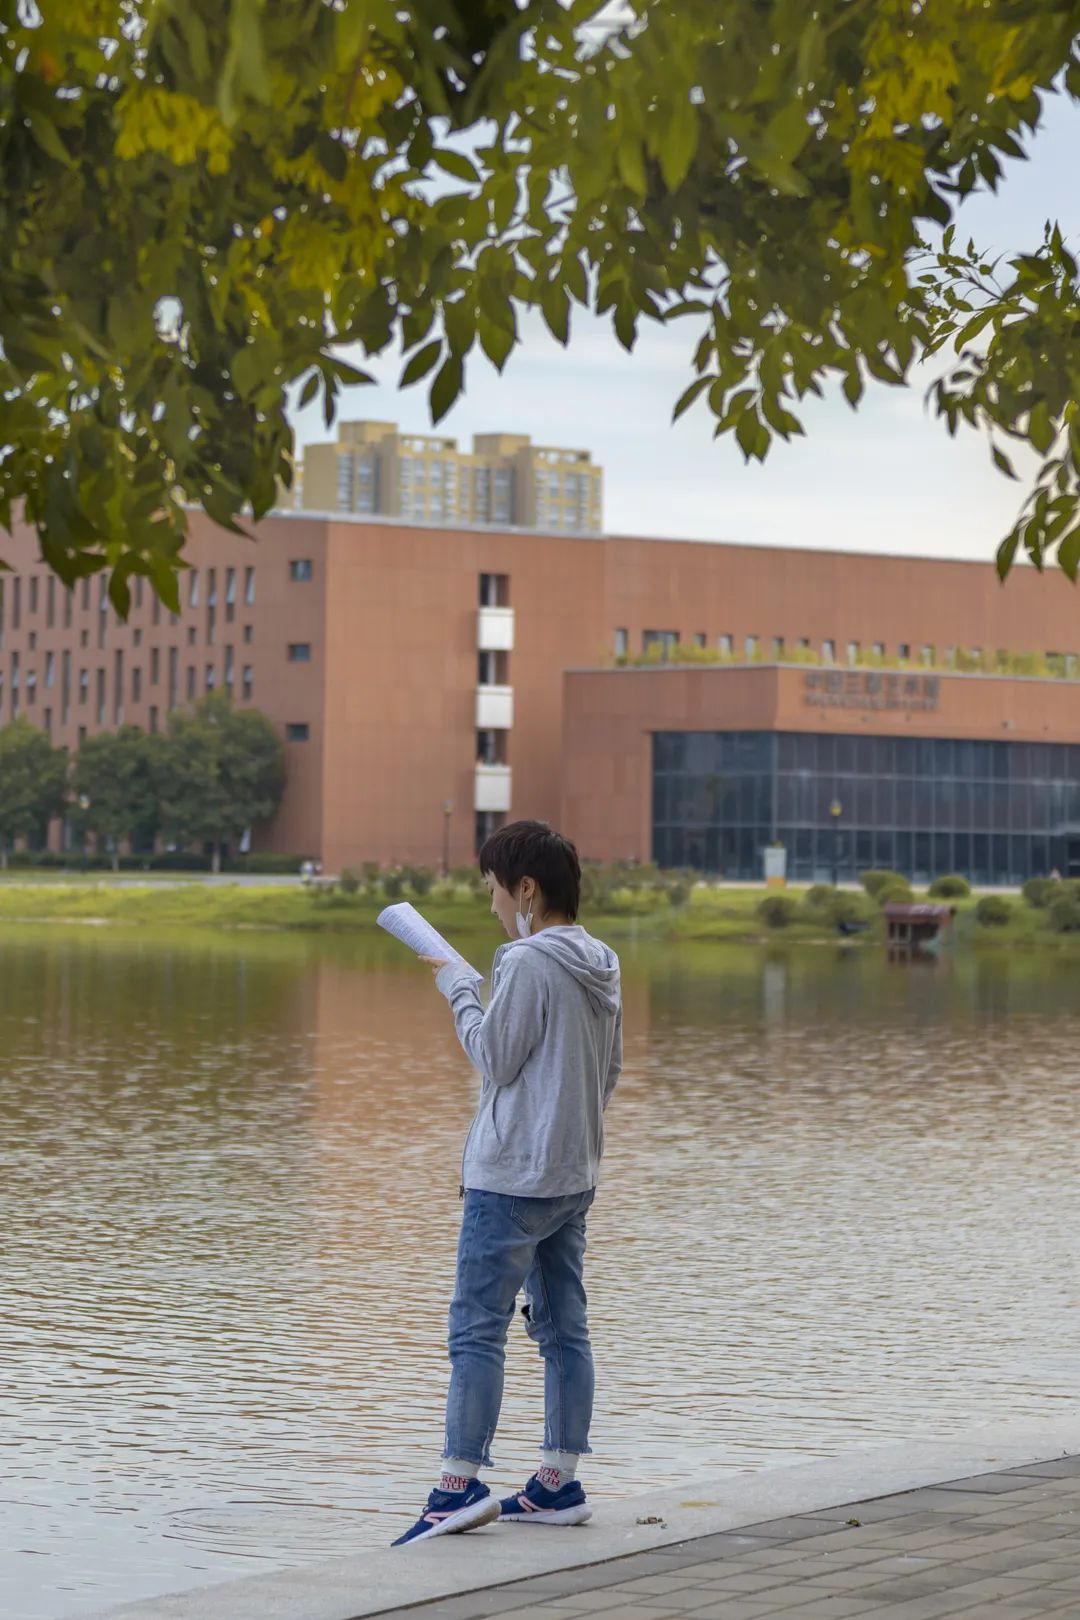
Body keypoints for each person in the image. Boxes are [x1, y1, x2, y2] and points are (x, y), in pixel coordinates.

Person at [392, 820, 623, 1546]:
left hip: (511, 1179)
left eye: (494, 888)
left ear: (526, 889)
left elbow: (494, 1058)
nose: (492, 903)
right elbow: (607, 1072)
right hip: (571, 1175)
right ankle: (557, 1482)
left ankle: (455, 1487)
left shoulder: (523, 962)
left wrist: (461, 987)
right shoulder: (602, 960)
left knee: (476, 1331)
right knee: (564, 1330)